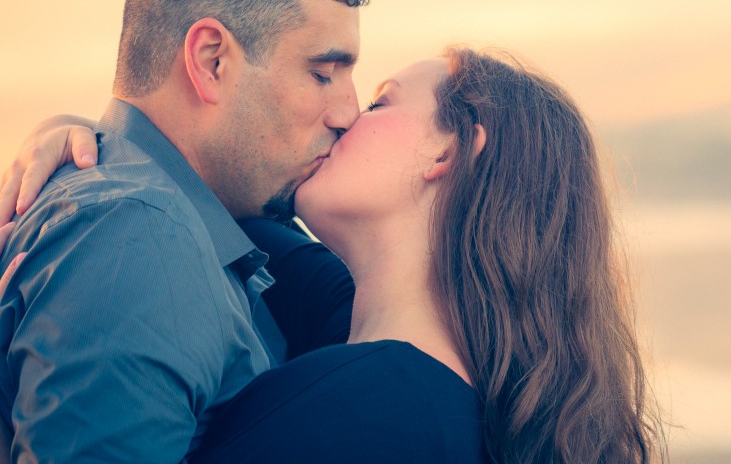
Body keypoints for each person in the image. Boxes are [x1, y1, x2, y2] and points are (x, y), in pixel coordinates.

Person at [1, 48, 665, 462]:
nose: (345, 115)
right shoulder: (362, 332)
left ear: (452, 150)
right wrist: (77, 142)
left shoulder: (377, 412)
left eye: (381, 101)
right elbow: (195, 173)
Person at [0, 0, 370, 462]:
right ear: (212, 61)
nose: (349, 113)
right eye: (323, 73)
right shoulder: (138, 234)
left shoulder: (153, 215)